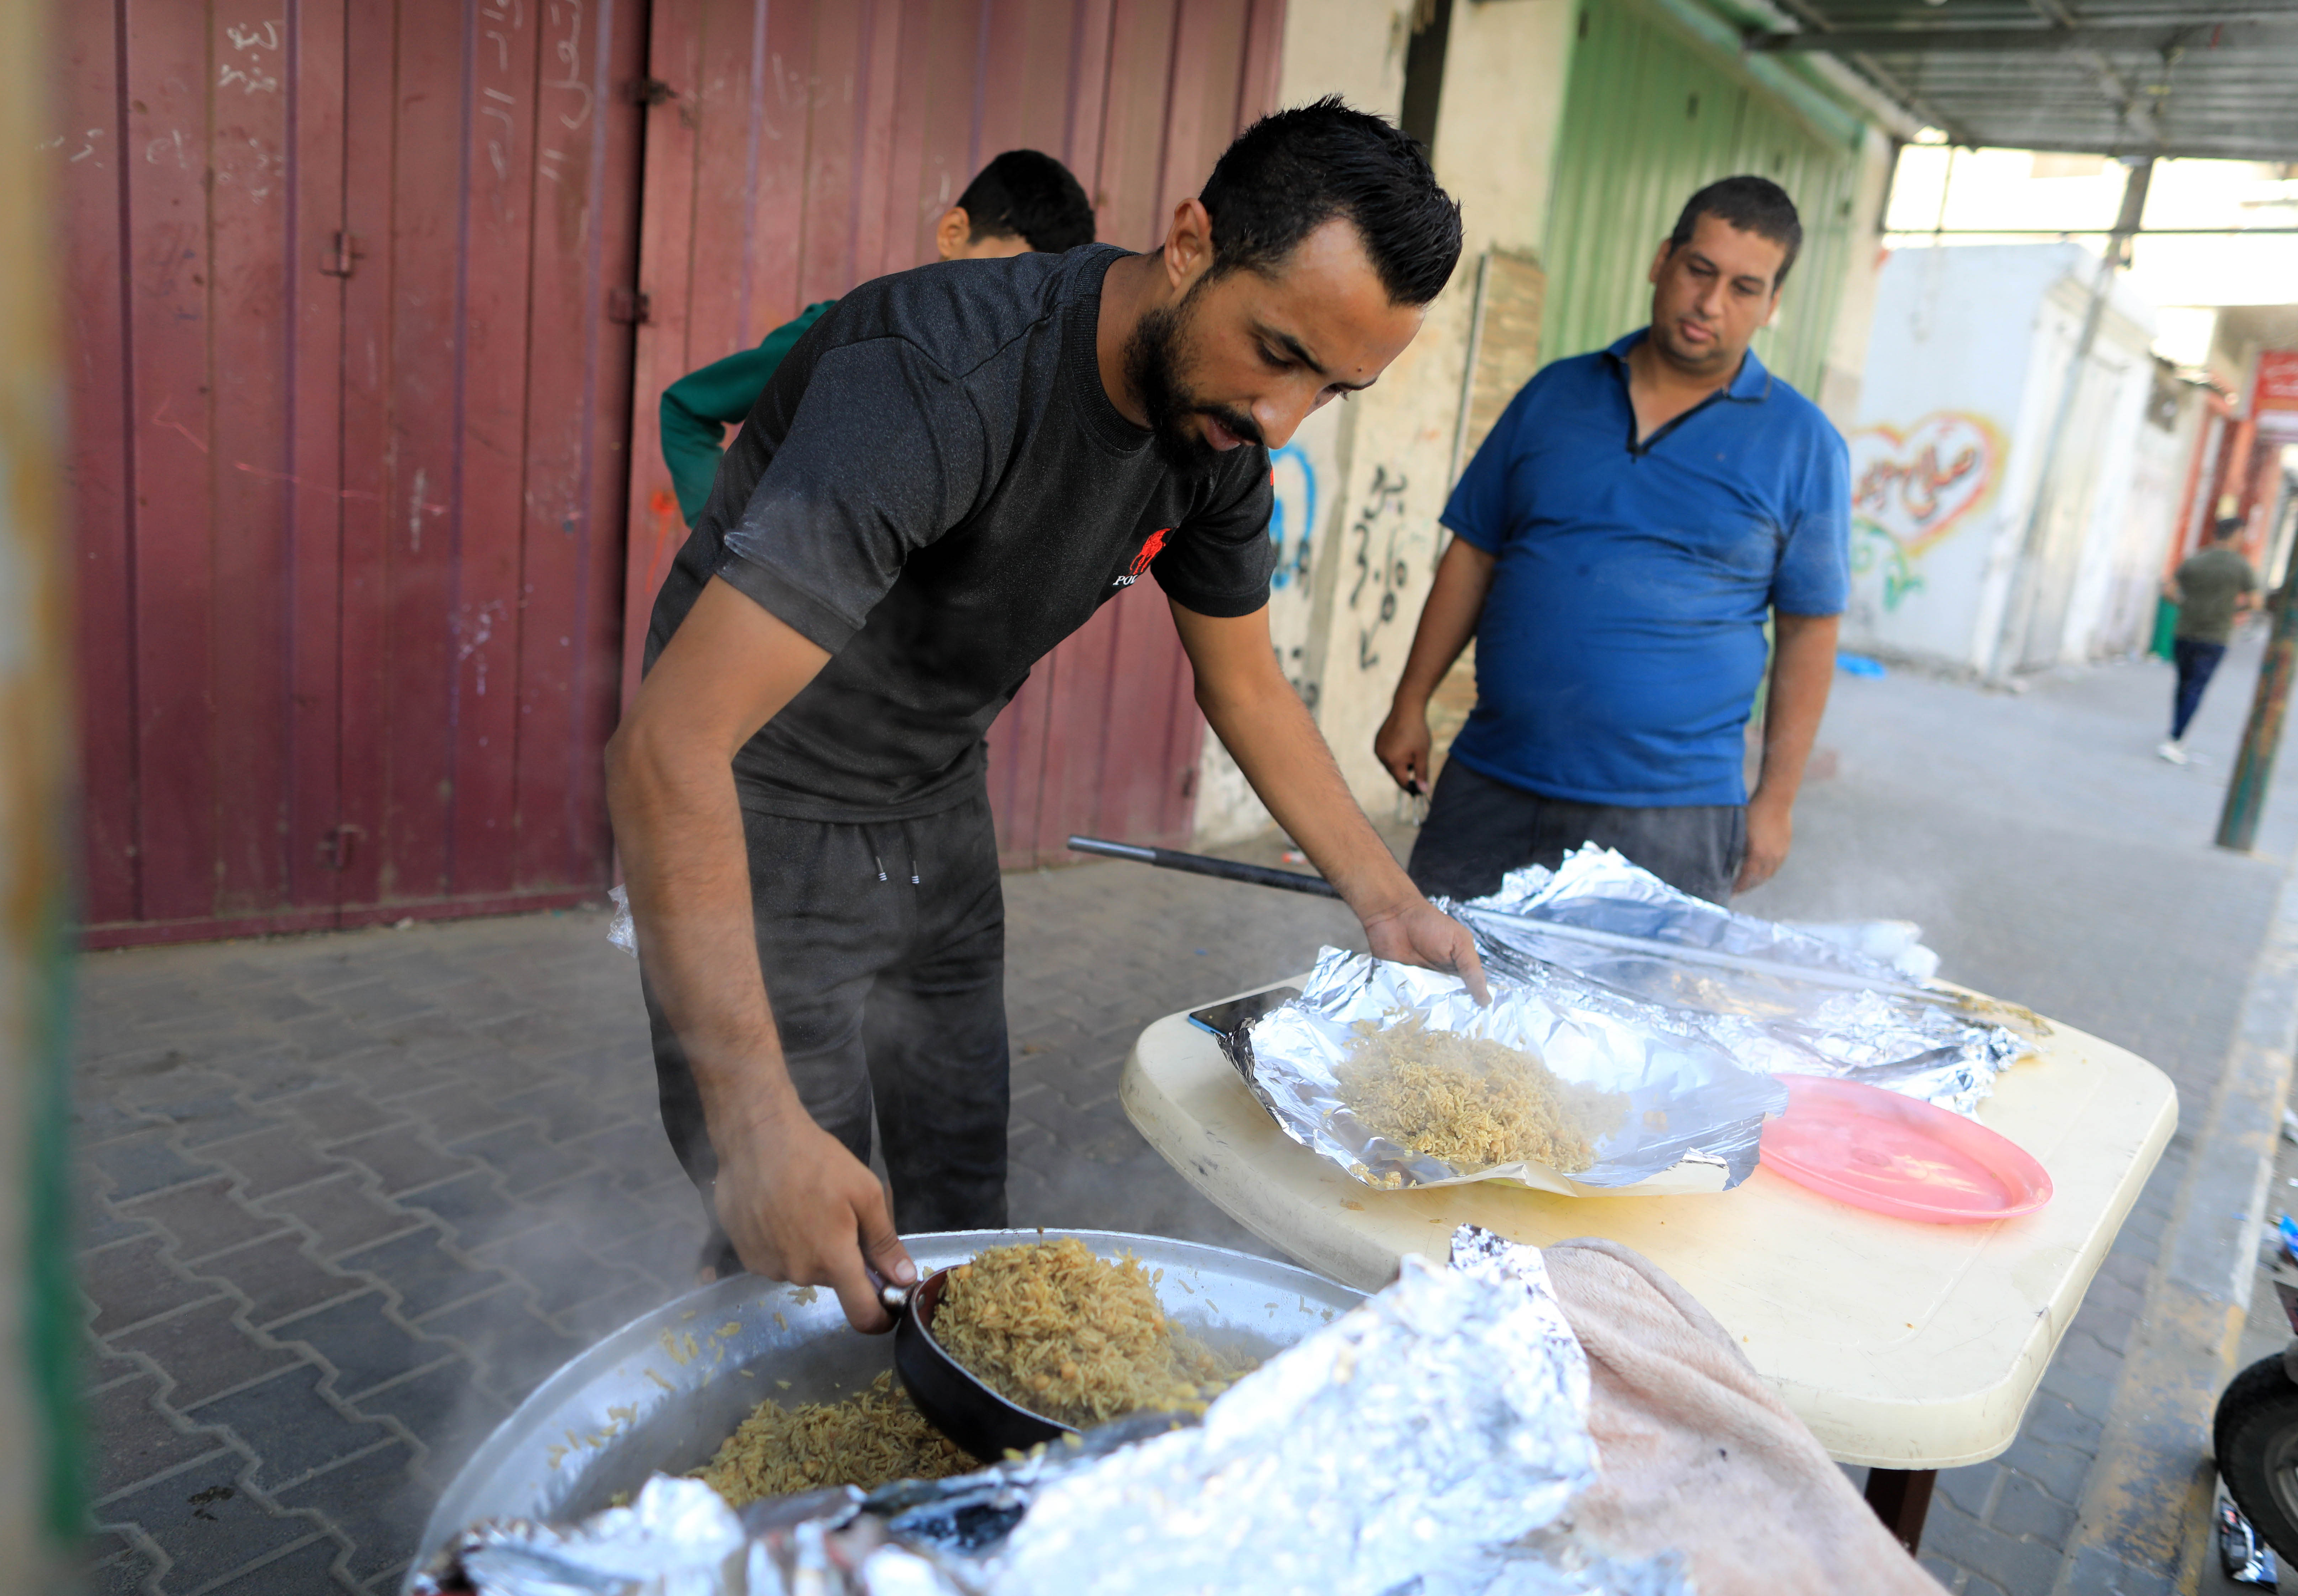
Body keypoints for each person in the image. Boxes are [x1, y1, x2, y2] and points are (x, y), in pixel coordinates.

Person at [608, 98, 1484, 1333]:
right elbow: (667, 751)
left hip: (933, 808)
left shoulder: (1219, 437)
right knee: (797, 1239)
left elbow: (1243, 683)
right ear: (1191, 242)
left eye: (1331, 391)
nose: (1280, 422)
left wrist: (1391, 905)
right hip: (757, 811)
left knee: (967, 1202)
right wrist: (755, 1126)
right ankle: (772, 1497)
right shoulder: (937, 376)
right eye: (1279, 353)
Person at [1374, 176, 1848, 906]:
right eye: (1700, 270)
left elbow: (1810, 631)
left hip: (1673, 814)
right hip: (1495, 781)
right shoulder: (1554, 395)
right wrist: (1411, 701)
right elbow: (1473, 555)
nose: (1712, 303)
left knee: (1638, 1017)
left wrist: (1775, 801)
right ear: (1662, 260)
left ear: (1772, 304)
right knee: (1431, 996)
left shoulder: (1803, 443)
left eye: (1745, 288)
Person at [658, 150, 1098, 529]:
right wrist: (723, 535)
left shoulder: (1026, 386)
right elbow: (687, 408)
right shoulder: (847, 335)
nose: (1014, 311)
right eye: (1001, 280)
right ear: (953, 234)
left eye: (1041, 298)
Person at [2158, 518, 2260, 763]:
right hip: (2215, 636)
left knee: (2183, 684)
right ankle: (2176, 737)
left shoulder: (2195, 560)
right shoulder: (2241, 566)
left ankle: (2176, 731)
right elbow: (2256, 602)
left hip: (2185, 631)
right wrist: (2232, 609)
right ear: (2237, 535)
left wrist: (2186, 604)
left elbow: (2169, 591)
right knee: (2196, 687)